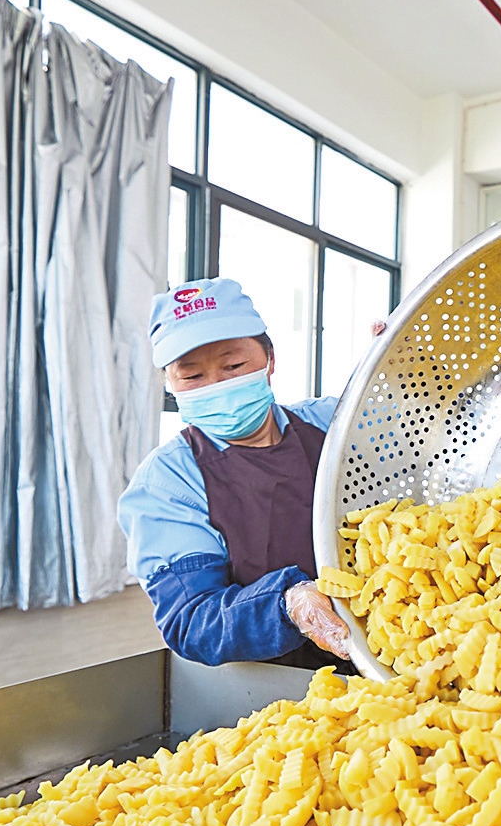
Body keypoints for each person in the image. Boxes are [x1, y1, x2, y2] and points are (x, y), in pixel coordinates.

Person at [119, 278, 354, 669]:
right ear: (170, 384)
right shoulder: (167, 483)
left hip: (398, 654)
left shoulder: (336, 424)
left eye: (233, 366)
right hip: (281, 684)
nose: (216, 387)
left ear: (269, 360)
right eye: (192, 376)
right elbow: (193, 618)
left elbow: (433, 412)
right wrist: (288, 605)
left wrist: (402, 360)